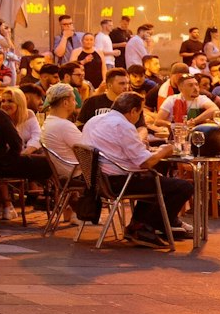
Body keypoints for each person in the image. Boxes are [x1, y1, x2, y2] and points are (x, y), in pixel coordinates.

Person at [82, 91, 191, 245]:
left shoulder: (94, 120)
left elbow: (119, 150)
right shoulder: (122, 125)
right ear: (133, 111)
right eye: (139, 112)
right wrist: (164, 151)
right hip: (118, 182)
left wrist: (143, 148)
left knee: (154, 177)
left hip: (98, 180)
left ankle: (139, 224)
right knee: (184, 187)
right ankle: (148, 226)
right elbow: (145, 162)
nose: (139, 117)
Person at [37, 82, 86, 178]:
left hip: (62, 173)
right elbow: (87, 153)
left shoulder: (48, 122)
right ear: (65, 103)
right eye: (74, 100)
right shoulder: (64, 126)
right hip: (75, 174)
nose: (76, 104)